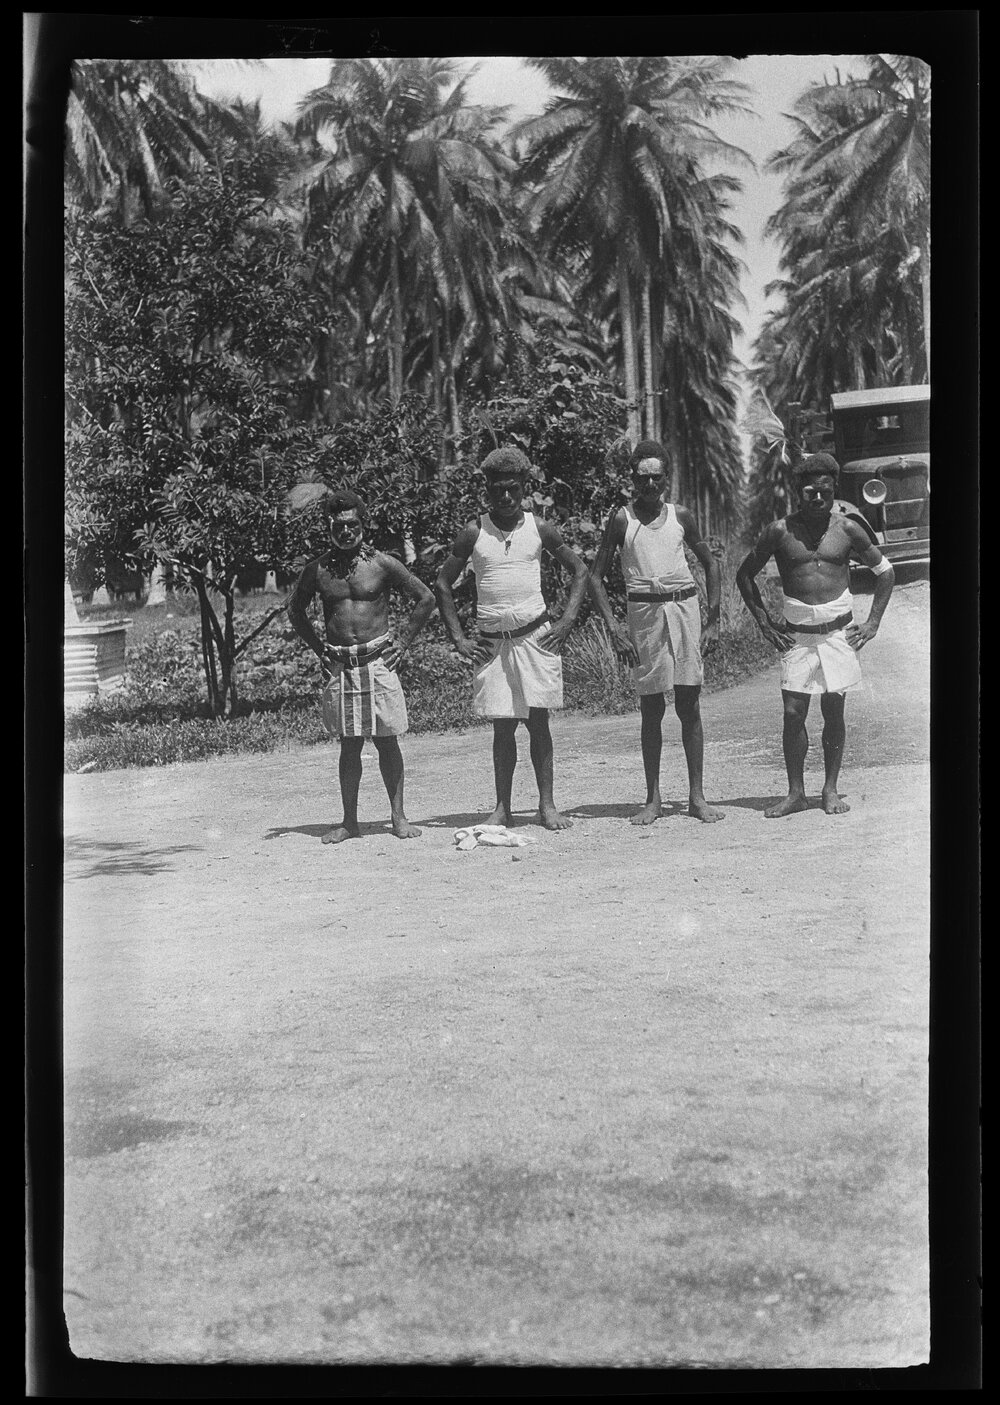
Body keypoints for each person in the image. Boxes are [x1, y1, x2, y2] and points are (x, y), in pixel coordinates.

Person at [434, 446, 589, 831]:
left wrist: (567, 620)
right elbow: (441, 582)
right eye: (497, 489)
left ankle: (547, 805)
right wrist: (458, 638)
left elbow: (580, 570)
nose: (505, 497)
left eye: (513, 489)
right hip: (492, 643)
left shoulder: (540, 528)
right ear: (486, 488)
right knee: (502, 726)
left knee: (539, 723)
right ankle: (502, 808)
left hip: (535, 638)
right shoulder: (474, 531)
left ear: (525, 488)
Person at [736, 452, 895, 817]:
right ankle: (795, 793)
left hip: (838, 634)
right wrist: (763, 622)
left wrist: (872, 624)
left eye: (824, 491)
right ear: (798, 491)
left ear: (834, 489)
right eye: (810, 492)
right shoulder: (779, 531)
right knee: (793, 713)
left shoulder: (849, 528)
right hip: (797, 636)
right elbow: (745, 575)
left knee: (833, 712)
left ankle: (830, 790)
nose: (818, 498)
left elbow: (885, 573)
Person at [588, 440, 726, 825]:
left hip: (684, 609)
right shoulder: (622, 519)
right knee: (652, 707)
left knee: (688, 704)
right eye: (642, 477)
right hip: (644, 614)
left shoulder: (680, 514)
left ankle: (697, 797)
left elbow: (710, 565)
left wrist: (713, 620)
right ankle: (653, 799)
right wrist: (614, 628)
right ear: (632, 477)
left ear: (666, 478)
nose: (649, 484)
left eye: (656, 477)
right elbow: (595, 578)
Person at [287, 487, 435, 843]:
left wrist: (403, 642)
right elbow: (295, 610)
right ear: (329, 526)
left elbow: (425, 598)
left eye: (352, 525)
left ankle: (398, 817)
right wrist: (318, 650)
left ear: (362, 524)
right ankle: (349, 822)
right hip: (341, 665)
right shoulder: (318, 570)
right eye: (339, 526)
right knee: (349, 745)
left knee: (387, 742)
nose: (346, 532)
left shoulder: (382, 564)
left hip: (378, 661)